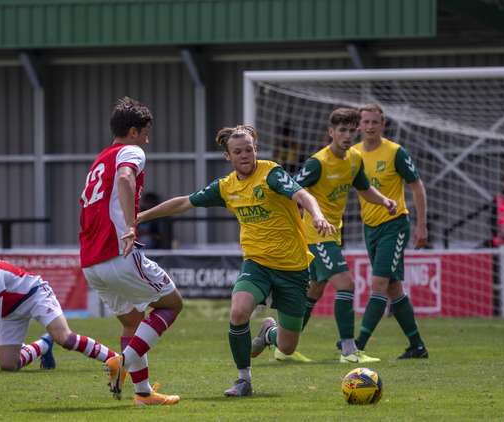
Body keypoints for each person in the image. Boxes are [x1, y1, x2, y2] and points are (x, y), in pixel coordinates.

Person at [136, 125, 336, 397]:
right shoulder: (226, 187)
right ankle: (244, 380)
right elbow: (184, 202)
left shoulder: (271, 174)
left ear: (256, 150)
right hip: (257, 263)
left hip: (293, 267)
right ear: (228, 156)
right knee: (239, 311)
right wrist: (140, 217)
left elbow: (302, 194)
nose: (245, 155)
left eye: (249, 149)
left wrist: (318, 215)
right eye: (238, 151)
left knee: (287, 347)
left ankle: (268, 334)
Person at [79, 97, 183, 406]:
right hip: (118, 253)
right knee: (171, 305)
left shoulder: (100, 160)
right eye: (146, 132)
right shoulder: (131, 151)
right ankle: (121, 360)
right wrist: (130, 226)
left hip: (91, 263)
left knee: (131, 322)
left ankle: (142, 393)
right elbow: (125, 178)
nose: (148, 140)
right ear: (135, 131)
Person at [288, 107, 397, 364]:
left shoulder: (355, 158)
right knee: (346, 284)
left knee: (314, 290)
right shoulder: (318, 162)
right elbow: (290, 189)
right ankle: (349, 350)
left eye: (351, 130)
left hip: (334, 234)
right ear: (331, 132)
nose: (347, 135)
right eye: (342, 130)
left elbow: (364, 188)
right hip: (315, 236)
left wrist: (383, 201)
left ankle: (283, 345)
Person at [0, 236, 119, 378]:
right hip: (8, 312)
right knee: (9, 366)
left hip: (33, 295)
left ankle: (117, 359)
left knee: (66, 339)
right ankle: (44, 345)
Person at [351, 103, 429, 359]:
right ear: (359, 126)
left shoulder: (395, 152)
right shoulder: (352, 154)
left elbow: (417, 186)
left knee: (379, 284)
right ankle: (417, 346)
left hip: (394, 226)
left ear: (382, 125)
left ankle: (357, 345)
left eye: (375, 122)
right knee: (394, 288)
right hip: (369, 227)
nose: (370, 126)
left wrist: (421, 225)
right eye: (366, 122)